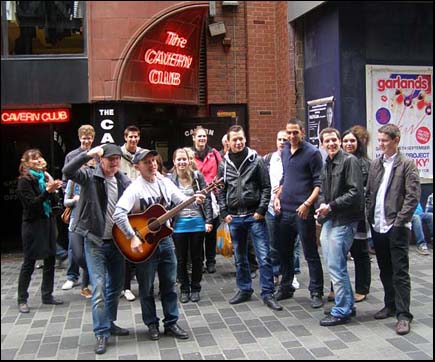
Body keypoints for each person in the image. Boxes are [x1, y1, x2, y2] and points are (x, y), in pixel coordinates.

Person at [113, 149, 206, 341]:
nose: (152, 164)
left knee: (170, 285)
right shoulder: (135, 188)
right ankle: (152, 324)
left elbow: (180, 201)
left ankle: (171, 323)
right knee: (146, 288)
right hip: (145, 245)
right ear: (137, 167)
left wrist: (195, 199)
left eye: (154, 161)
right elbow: (118, 214)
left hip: (165, 241)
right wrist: (133, 236)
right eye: (146, 162)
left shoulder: (164, 182)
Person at [62, 143, 131, 354]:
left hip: (117, 243)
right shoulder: (89, 176)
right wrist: (88, 154)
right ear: (101, 159)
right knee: (99, 286)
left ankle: (109, 323)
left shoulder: (122, 180)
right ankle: (101, 332)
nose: (115, 162)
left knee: (116, 286)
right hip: (95, 241)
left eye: (118, 159)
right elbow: (67, 171)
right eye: (111, 159)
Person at [217, 125, 282, 311]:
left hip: (254, 216)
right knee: (239, 256)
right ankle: (244, 289)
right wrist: (224, 212)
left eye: (241, 138)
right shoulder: (224, 163)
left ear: (245, 139)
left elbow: (266, 187)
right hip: (234, 218)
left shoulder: (256, 160)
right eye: (234, 139)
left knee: (263, 256)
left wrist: (261, 210)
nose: (238, 142)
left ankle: (268, 293)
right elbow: (221, 190)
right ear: (228, 142)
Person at [366, 124, 420, 336]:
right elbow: (370, 191)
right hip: (378, 225)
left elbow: (412, 197)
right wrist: (369, 216)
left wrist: (399, 222)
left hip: (396, 227)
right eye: (379, 140)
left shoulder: (407, 165)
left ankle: (404, 315)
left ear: (396, 140)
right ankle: (390, 304)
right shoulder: (376, 164)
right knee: (384, 268)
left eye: (385, 140)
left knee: (400, 272)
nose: (381, 144)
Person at [315, 127, 364, 327]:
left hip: (344, 220)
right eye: (327, 141)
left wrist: (331, 206)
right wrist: (321, 205)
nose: (332, 144)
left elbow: (355, 193)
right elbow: (323, 190)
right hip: (330, 219)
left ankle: (342, 310)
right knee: (333, 264)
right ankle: (348, 304)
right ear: (323, 144)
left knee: (336, 266)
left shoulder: (349, 161)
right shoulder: (327, 162)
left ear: (339, 140)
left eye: (334, 140)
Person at [274, 119, 324, 308]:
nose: (292, 136)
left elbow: (319, 183)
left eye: (295, 132)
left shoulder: (312, 153)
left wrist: (307, 204)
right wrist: (278, 195)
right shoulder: (285, 150)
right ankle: (286, 287)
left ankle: (316, 291)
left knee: (310, 252)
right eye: (289, 133)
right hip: (285, 210)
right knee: (284, 252)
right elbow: (285, 177)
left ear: (302, 132)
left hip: (303, 211)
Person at [16, 149, 64, 314]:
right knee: (29, 262)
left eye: (39, 158)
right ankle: (22, 299)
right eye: (34, 159)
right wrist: (47, 192)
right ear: (26, 163)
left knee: (50, 258)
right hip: (33, 225)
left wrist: (55, 190)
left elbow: (54, 202)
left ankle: (47, 295)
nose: (38, 161)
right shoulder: (24, 181)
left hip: (48, 222)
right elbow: (31, 205)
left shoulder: (45, 177)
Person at [169, 148, 213, 303]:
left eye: (184, 159)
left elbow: (207, 198)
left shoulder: (197, 176)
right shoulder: (170, 179)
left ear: (189, 161)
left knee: (197, 258)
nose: (182, 162)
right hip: (178, 225)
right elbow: (167, 202)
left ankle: (195, 288)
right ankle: (184, 289)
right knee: (180, 259)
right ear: (174, 162)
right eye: (178, 159)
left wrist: (208, 220)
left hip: (197, 223)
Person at [61, 125, 96, 290]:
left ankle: (86, 283)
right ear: (79, 138)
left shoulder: (97, 153)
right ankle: (72, 276)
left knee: (89, 247)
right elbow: (66, 178)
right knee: (73, 248)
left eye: (89, 138)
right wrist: (71, 198)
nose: (87, 141)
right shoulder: (71, 156)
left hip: (90, 211)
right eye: (84, 138)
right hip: (76, 208)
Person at [264, 129, 300, 289]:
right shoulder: (268, 159)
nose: (282, 142)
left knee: (292, 244)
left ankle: (292, 274)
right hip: (271, 207)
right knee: (272, 244)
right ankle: (276, 272)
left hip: (290, 208)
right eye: (279, 139)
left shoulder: (294, 159)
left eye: (285, 139)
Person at [340, 129, 372, 303]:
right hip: (341, 215)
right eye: (345, 141)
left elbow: (370, 191)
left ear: (358, 143)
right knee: (339, 253)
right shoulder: (337, 161)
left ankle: (362, 288)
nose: (348, 144)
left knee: (360, 253)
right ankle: (336, 288)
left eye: (352, 141)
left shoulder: (366, 163)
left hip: (359, 215)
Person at [190, 125, 222, 274]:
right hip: (197, 197)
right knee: (198, 232)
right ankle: (199, 261)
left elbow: (221, 170)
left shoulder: (214, 153)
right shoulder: (189, 154)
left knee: (211, 231)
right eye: (199, 136)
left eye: (204, 136)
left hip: (213, 196)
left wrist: (218, 184)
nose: (202, 139)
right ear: (194, 138)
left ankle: (211, 261)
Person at [119, 125, 144, 302]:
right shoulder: (118, 156)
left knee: (143, 247)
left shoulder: (144, 155)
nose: (133, 140)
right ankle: (125, 287)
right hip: (126, 207)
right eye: (130, 137)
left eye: (136, 137)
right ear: (125, 137)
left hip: (142, 208)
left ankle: (144, 284)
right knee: (127, 249)